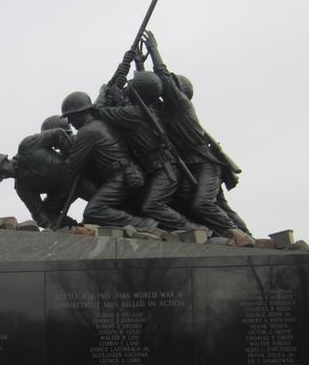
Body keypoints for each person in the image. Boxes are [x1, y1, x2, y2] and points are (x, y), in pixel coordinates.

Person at [142, 31, 254, 245]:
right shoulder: (168, 112)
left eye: (173, 86)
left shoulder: (181, 106)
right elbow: (149, 90)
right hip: (193, 164)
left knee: (203, 204)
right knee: (220, 205)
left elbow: (163, 79)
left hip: (206, 163)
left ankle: (239, 235)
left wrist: (154, 52)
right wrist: (140, 66)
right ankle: (246, 236)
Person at [92, 55, 200, 232]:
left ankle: (194, 229)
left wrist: (104, 90)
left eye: (133, 82)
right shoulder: (152, 106)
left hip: (165, 170)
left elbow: (98, 111)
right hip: (160, 167)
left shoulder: (133, 114)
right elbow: (145, 88)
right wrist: (135, 65)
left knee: (151, 206)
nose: (130, 83)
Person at [59, 91, 158, 231]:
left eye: (70, 116)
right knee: (92, 217)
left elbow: (73, 165)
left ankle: (144, 224)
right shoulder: (100, 124)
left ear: (80, 112)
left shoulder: (87, 131)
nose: (69, 122)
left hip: (123, 178)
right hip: (125, 175)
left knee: (93, 211)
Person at [0, 128, 94, 228]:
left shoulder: (27, 146)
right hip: (64, 193)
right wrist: (52, 226)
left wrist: (73, 160)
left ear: (4, 160)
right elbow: (39, 215)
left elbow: (58, 135)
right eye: (0, 177)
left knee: (99, 204)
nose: (4, 175)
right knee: (49, 211)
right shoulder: (22, 188)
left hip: (78, 174)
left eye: (2, 171)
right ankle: (75, 228)